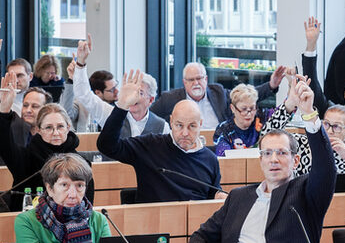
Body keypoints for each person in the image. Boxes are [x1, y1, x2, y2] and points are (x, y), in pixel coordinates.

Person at [186, 78, 335, 243]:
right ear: (260, 160)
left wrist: (309, 116)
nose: (273, 159)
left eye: (281, 153)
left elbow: (326, 169)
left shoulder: (306, 193)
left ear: (295, 161)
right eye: (267, 153)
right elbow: (201, 237)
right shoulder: (238, 197)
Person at [97, 69, 226, 203]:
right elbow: (107, 146)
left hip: (196, 221)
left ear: (200, 124)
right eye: (179, 125)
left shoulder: (210, 159)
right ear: (171, 122)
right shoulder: (150, 145)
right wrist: (122, 105)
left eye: (192, 126)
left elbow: (213, 193)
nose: (185, 133)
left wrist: (219, 196)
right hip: (152, 220)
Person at [0, 70, 92, 198]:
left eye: (60, 127)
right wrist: (4, 109)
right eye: (49, 127)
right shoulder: (26, 158)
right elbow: (2, 143)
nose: (55, 133)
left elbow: (88, 204)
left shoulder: (81, 163)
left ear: (68, 128)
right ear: (39, 130)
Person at [14, 154, 111, 243]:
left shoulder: (98, 220)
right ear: (50, 188)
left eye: (79, 185)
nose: (72, 194)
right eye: (64, 185)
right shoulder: (27, 221)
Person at [71, 36, 167, 138]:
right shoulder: (110, 114)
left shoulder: (162, 126)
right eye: (130, 92)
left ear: (151, 100)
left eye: (139, 93)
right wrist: (80, 62)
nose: (132, 97)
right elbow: (83, 94)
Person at [262, 76, 345, 175]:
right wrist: (290, 104)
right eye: (326, 124)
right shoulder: (302, 144)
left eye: (336, 127)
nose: (330, 131)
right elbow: (267, 136)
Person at [149, 61, 284, 131]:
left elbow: (244, 97)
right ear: (184, 82)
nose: (196, 83)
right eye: (191, 80)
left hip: (217, 145)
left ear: (206, 79)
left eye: (199, 78)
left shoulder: (217, 93)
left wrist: (271, 85)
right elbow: (150, 117)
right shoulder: (170, 99)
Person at [212, 83, 271, 156]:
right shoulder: (224, 130)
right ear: (233, 108)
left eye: (252, 108)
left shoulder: (261, 118)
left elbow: (284, 111)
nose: (249, 114)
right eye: (244, 109)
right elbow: (224, 157)